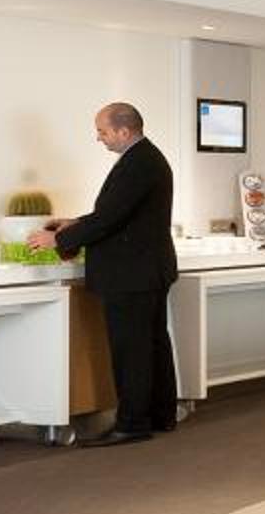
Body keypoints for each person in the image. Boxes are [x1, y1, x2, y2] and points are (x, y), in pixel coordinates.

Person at [32, 101, 177, 447]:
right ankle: (160, 415)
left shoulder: (137, 163)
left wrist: (58, 239)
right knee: (152, 345)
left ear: (124, 131)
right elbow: (117, 214)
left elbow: (110, 219)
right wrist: (76, 223)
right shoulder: (146, 158)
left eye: (102, 131)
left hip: (132, 274)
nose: (99, 138)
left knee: (132, 351)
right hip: (147, 270)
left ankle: (132, 424)